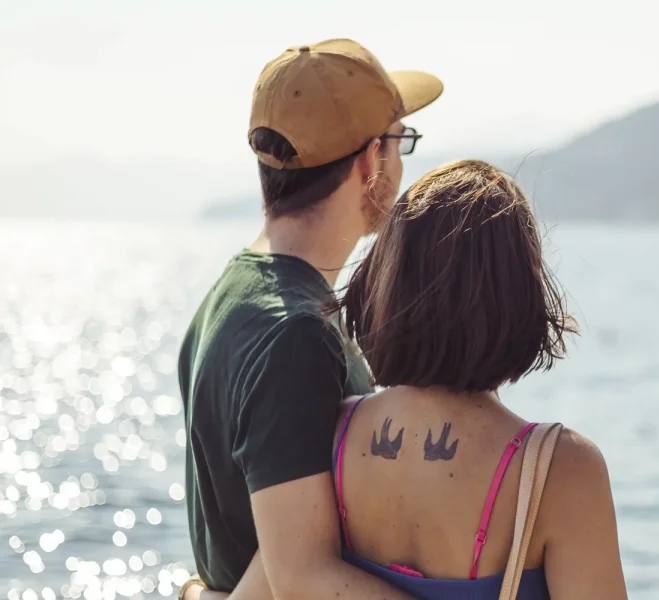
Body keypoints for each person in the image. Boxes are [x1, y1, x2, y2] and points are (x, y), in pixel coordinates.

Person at [190, 160, 629, 600]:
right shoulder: (561, 470)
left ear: (387, 282)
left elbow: (278, 580)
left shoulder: (331, 436)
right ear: (520, 296)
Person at [176, 38, 442, 600]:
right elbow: (302, 576)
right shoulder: (295, 334)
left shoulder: (230, 293)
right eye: (401, 140)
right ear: (372, 159)